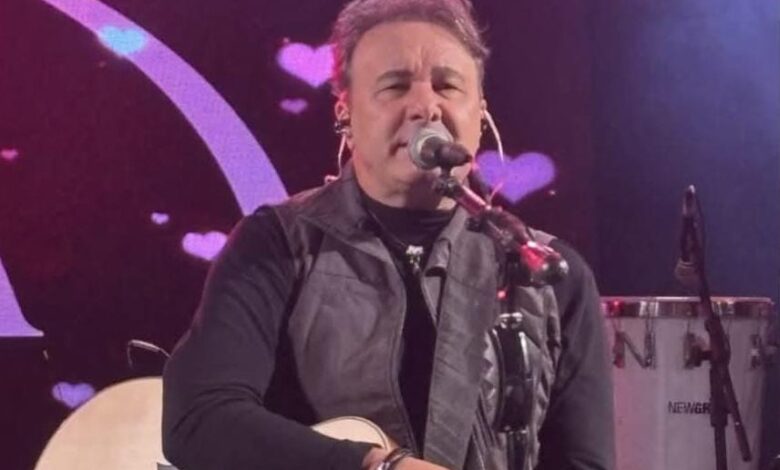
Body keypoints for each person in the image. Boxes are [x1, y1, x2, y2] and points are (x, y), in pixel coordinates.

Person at [162, 1, 615, 469]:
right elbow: (199, 420)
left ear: (480, 115)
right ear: (346, 115)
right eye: (395, 86)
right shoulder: (275, 244)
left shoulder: (547, 272)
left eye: (447, 85)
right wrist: (379, 466)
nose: (425, 106)